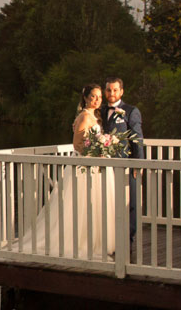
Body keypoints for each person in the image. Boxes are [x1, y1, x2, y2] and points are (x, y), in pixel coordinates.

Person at [11, 84, 115, 263]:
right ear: (85, 98)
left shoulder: (95, 116)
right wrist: (96, 153)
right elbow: (77, 145)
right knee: (79, 204)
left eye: (99, 97)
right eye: (93, 97)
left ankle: (95, 241)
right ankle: (78, 241)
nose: (97, 100)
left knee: (94, 204)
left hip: (95, 166)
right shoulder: (84, 116)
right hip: (85, 166)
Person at [99, 76, 144, 252]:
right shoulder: (100, 111)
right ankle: (108, 235)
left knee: (129, 201)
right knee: (108, 200)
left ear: (121, 91)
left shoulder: (131, 111)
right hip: (104, 165)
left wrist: (137, 164)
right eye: (109, 90)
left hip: (125, 164)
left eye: (115, 90)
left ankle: (128, 237)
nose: (111, 93)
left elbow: (137, 139)